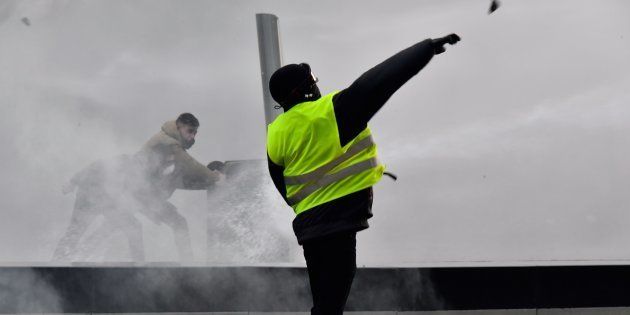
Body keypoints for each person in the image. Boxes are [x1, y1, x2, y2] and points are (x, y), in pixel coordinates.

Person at [266, 34, 461, 314]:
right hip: (335, 227)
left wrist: (312, 204)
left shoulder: (276, 132)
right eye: (313, 80)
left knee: (325, 303)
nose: (317, 85)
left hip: (311, 229)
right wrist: (426, 49)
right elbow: (382, 78)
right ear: (303, 90)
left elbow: (283, 186)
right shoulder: (332, 111)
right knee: (329, 307)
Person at [54, 113, 224, 262]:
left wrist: (210, 182)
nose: (192, 137)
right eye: (189, 132)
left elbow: (183, 181)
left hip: (133, 197)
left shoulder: (171, 160)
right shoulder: (167, 144)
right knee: (82, 231)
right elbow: (98, 166)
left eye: (195, 133)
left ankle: (186, 265)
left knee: (175, 223)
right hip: (105, 193)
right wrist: (73, 181)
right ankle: (59, 263)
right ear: (179, 128)